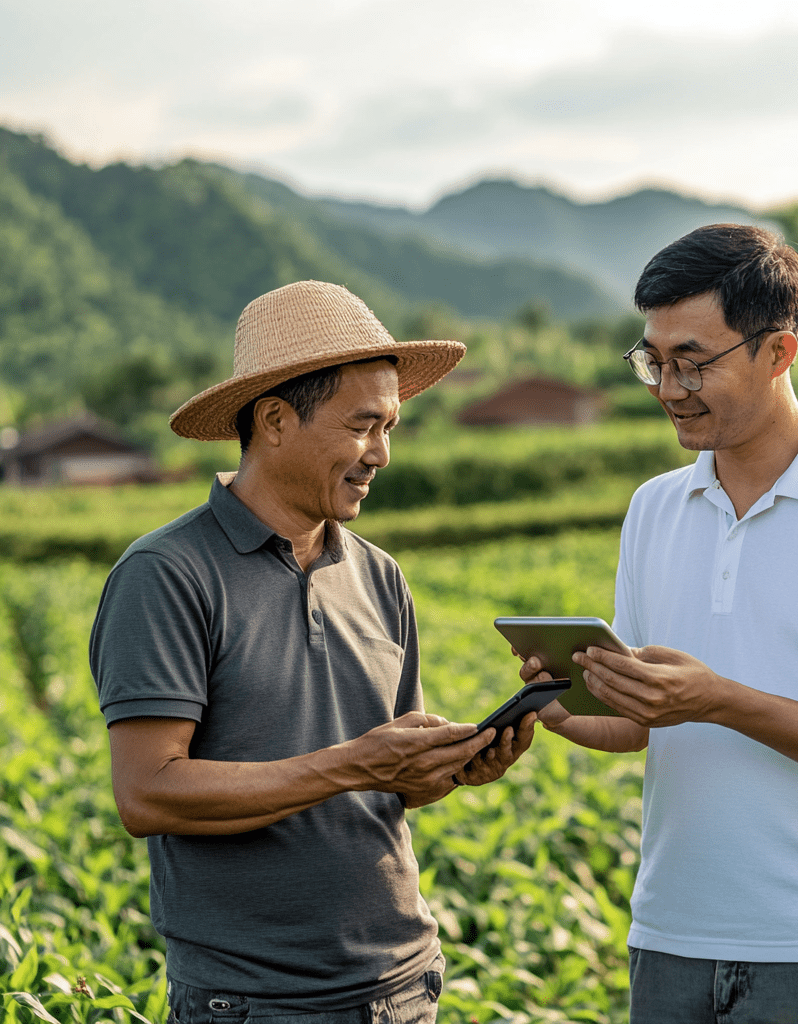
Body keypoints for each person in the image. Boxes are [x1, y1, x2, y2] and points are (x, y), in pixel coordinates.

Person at [519, 225, 798, 1023]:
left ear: (779, 351)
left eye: (694, 361)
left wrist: (720, 699)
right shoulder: (656, 507)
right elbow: (641, 724)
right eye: (653, 360)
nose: (668, 386)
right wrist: (564, 705)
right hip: (669, 937)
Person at [90, 280, 537, 1024]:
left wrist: (454, 769)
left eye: (391, 425)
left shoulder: (378, 574)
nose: (382, 454)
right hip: (253, 1000)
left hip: (403, 985)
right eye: (363, 425)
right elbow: (148, 793)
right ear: (273, 420)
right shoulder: (167, 574)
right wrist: (354, 763)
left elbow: (393, 782)